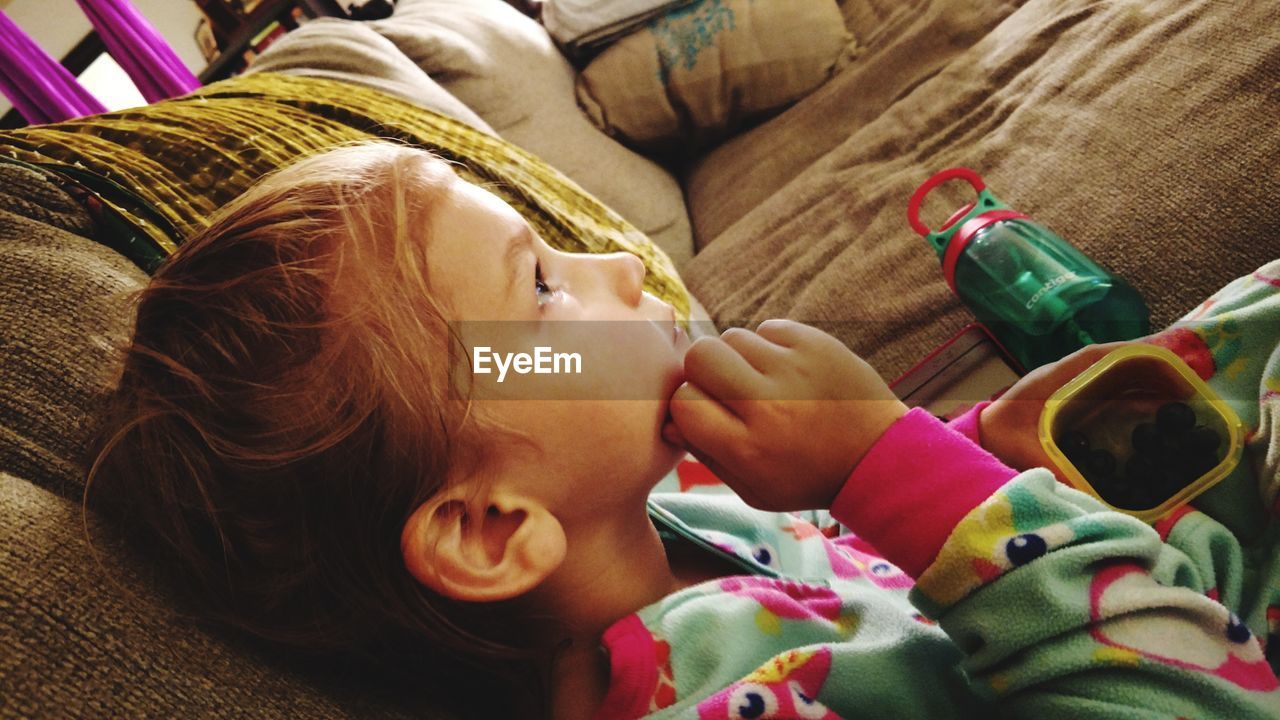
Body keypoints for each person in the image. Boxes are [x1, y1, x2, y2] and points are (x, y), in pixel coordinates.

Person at [86, 141, 1280, 719]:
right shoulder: (725, 704)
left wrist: (976, 452)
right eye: (543, 292)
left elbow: (859, 564)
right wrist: (903, 471)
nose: (615, 264)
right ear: (491, 529)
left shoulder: (683, 504)